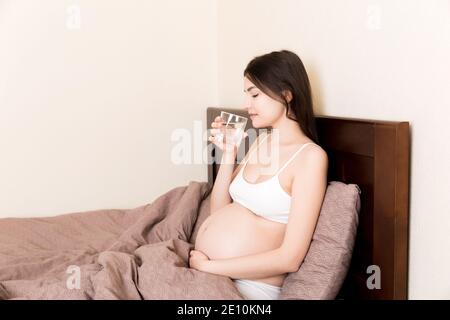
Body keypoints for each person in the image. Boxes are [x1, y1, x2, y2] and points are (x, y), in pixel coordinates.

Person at [190, 50, 329, 300]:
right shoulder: (259, 143)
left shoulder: (310, 158)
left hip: (249, 289)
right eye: (246, 95)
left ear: (286, 94)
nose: (247, 105)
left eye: (254, 94)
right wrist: (229, 154)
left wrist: (209, 267)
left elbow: (290, 258)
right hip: (211, 276)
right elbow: (218, 213)